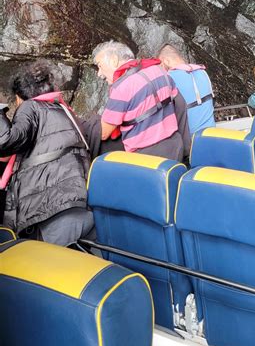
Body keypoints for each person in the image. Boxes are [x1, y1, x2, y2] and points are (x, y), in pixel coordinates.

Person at [0, 60, 93, 246]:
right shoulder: (62, 110)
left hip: (53, 207)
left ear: (21, 96)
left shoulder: (31, 107)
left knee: (55, 269)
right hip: (75, 200)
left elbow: (5, 142)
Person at [92, 41, 190, 160]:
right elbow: (180, 106)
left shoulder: (122, 88)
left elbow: (103, 133)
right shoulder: (159, 71)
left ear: (114, 60)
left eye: (100, 66)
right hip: (174, 147)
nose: (99, 73)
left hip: (145, 158)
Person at [158, 44, 215, 134]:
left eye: (161, 65)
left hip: (190, 140)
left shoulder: (169, 78)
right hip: (211, 134)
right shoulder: (202, 72)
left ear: (166, 61)